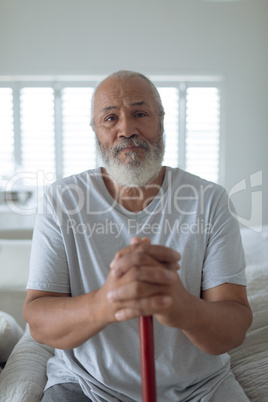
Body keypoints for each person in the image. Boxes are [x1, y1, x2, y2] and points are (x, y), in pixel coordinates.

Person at [23, 70, 252, 402]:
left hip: (201, 389)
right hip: (85, 386)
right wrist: (108, 301)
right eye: (110, 118)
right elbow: (40, 324)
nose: (126, 129)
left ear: (160, 121)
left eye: (140, 113)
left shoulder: (209, 199)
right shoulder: (62, 200)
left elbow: (233, 330)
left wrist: (183, 308)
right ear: (96, 131)